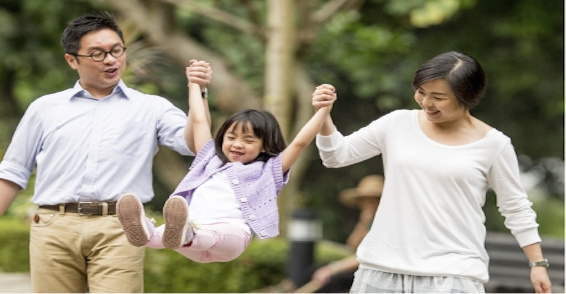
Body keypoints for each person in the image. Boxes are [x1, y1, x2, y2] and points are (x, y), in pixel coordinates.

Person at [0, 12, 212, 293]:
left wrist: (198, 94)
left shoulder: (151, 107)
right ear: (72, 60)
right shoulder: (44, 109)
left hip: (121, 228)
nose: (111, 60)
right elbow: (13, 171)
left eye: (116, 51)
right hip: (53, 227)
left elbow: (197, 145)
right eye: (97, 54)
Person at [312, 51, 552, 293]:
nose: (426, 102)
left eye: (438, 97)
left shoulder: (493, 145)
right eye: (421, 92)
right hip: (381, 271)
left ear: (466, 97)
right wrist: (324, 114)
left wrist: (537, 264)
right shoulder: (397, 124)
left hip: (452, 275)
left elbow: (515, 207)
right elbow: (336, 156)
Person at [115, 77, 337, 262]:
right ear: (222, 138)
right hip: (190, 233)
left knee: (211, 234)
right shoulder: (208, 158)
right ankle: (144, 231)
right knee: (163, 235)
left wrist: (322, 110)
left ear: (265, 145)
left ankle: (185, 234)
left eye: (248, 140)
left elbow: (299, 142)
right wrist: (195, 85)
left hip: (231, 236)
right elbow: (200, 120)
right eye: (231, 137)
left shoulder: (269, 170)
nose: (237, 144)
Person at [306, 175, 384, 293]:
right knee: (312, 271)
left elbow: (366, 256)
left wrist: (333, 268)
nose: (368, 203)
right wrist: (362, 223)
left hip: (374, 274)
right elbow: (351, 246)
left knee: (332, 280)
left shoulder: (385, 223)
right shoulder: (367, 221)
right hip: (360, 269)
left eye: (373, 199)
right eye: (365, 199)